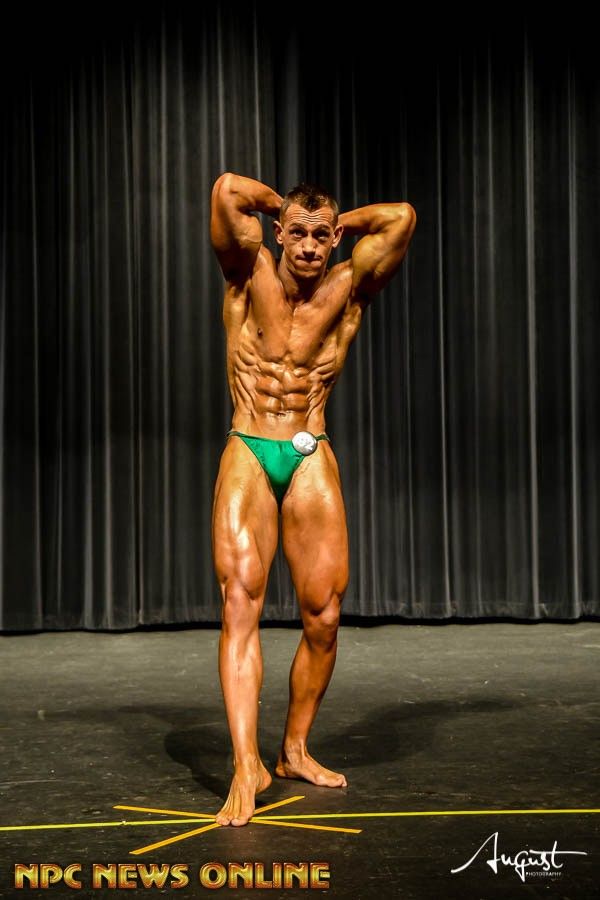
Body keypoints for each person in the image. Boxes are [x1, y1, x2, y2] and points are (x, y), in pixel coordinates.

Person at [210, 173, 416, 826]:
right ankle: (246, 762)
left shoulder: (350, 286)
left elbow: (402, 217)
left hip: (310, 449)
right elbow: (226, 191)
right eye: (296, 233)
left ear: (333, 241)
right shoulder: (247, 270)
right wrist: (286, 207)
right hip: (249, 446)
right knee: (240, 602)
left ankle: (293, 749)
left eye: (319, 236)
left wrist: (339, 222)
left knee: (324, 615)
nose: (306, 246)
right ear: (277, 233)